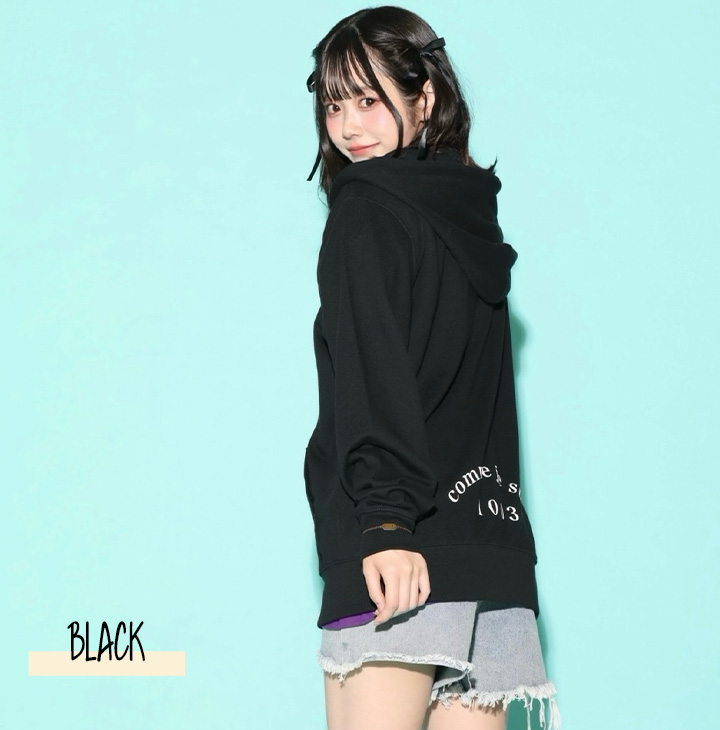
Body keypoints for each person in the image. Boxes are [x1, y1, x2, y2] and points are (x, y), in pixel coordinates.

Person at [302, 6, 561, 730]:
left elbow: (374, 373)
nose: (348, 126)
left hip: (399, 543)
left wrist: (385, 523)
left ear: (425, 96)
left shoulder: (366, 210)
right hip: (489, 542)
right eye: (333, 105)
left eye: (368, 99)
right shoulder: (472, 214)